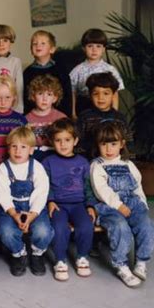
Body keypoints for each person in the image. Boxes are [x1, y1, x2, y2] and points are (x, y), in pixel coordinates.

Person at [90, 121, 154, 288]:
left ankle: (141, 261)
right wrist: (119, 205)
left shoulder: (128, 164)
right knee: (120, 227)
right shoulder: (97, 165)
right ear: (98, 145)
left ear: (122, 144)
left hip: (133, 203)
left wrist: (142, 204)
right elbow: (102, 190)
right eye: (104, 144)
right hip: (109, 207)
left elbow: (137, 186)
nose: (108, 149)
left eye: (113, 144)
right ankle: (121, 264)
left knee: (148, 227)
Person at [41, 118, 96, 281]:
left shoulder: (83, 162)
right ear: (52, 142)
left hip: (78, 204)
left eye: (67, 140)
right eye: (58, 140)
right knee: (59, 227)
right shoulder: (48, 162)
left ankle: (83, 257)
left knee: (86, 225)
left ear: (75, 141)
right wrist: (50, 200)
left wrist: (90, 205)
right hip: (58, 204)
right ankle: (60, 260)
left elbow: (88, 186)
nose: (63, 144)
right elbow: (44, 185)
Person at [0, 126, 54, 276]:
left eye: (23, 147)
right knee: (6, 232)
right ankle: (19, 253)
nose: (18, 151)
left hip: (34, 208)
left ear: (31, 150)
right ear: (8, 149)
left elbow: (41, 193)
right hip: (10, 208)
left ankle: (36, 253)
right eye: (14, 146)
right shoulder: (3, 169)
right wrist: (14, 214)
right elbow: (2, 194)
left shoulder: (37, 168)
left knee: (43, 231)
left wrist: (32, 215)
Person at [70, 28, 124, 118]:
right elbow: (73, 93)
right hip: (84, 107)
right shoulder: (77, 70)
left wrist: (114, 113)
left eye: (98, 46)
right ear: (84, 48)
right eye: (90, 46)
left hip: (105, 108)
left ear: (103, 49)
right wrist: (73, 113)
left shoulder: (110, 69)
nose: (94, 50)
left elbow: (115, 93)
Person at [76, 72, 131, 159]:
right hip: (91, 161)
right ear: (90, 95)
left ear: (113, 95)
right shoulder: (85, 117)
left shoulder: (119, 118)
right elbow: (78, 143)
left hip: (115, 160)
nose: (100, 97)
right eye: (96, 94)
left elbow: (128, 141)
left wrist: (127, 160)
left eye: (106, 93)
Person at [23, 30, 72, 116]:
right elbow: (26, 98)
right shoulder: (27, 72)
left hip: (58, 116)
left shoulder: (61, 69)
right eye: (35, 44)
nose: (38, 45)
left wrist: (66, 116)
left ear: (52, 49)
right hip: (36, 117)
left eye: (43, 43)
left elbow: (67, 95)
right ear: (31, 50)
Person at [25, 74, 67, 161]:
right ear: (33, 96)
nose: (44, 98)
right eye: (40, 94)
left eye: (49, 94)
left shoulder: (61, 118)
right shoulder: (25, 119)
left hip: (55, 156)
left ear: (55, 98)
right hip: (34, 157)